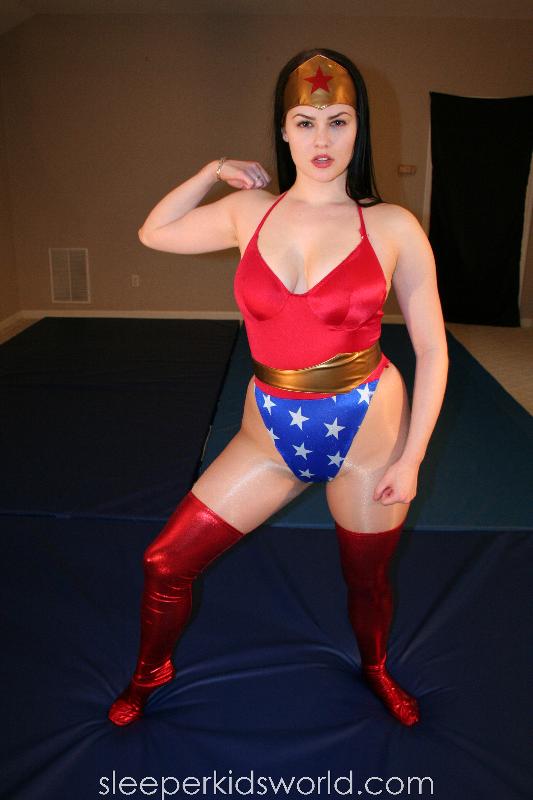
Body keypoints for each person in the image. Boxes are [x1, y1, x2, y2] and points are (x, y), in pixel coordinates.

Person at [108, 48, 448, 728]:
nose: (322, 139)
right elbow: (154, 232)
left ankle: (376, 668)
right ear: (283, 131)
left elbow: (433, 349)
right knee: (165, 563)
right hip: (268, 435)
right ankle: (150, 672)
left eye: (338, 121)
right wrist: (211, 170)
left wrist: (410, 458)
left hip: (368, 436)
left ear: (360, 129)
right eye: (304, 122)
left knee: (366, 579)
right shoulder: (248, 211)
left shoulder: (391, 226)